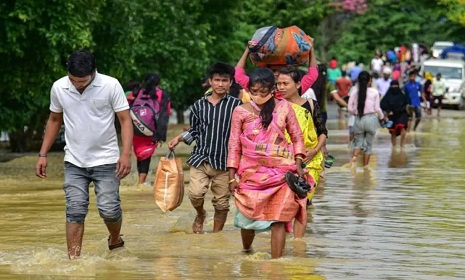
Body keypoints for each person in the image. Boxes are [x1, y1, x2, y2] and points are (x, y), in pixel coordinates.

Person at [35, 50, 133, 259]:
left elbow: (125, 120)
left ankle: (115, 238)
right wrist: (42, 154)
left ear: (94, 73)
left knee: (109, 210)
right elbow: (54, 120)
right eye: (73, 80)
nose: (77, 84)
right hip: (74, 160)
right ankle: (74, 261)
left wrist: (126, 154)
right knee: (75, 210)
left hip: (107, 160)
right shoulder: (59, 87)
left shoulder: (111, 85)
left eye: (82, 81)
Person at [227, 68, 307, 258]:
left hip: (281, 173)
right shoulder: (240, 112)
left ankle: (276, 265)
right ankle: (247, 252)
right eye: (254, 92)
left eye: (263, 92)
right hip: (250, 174)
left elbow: (297, 137)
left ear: (273, 89)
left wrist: (298, 164)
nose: (258, 96)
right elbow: (234, 144)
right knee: (247, 218)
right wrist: (231, 177)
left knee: (279, 218)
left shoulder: (285, 108)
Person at [168, 62, 242, 234]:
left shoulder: (237, 106)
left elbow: (243, 135)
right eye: (217, 80)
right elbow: (194, 130)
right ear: (210, 81)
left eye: (225, 80)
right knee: (195, 194)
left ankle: (216, 238)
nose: (220, 84)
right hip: (201, 158)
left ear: (231, 83)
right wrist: (179, 138)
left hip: (225, 163)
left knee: (222, 203)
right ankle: (200, 213)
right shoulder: (198, 106)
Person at [277, 65, 327, 237]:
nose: (281, 87)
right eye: (279, 84)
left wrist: (315, 150)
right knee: (285, 202)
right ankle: (282, 240)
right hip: (285, 160)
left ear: (298, 84)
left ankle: (298, 244)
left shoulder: (311, 105)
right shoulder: (277, 108)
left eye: (285, 83)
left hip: (310, 161)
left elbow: (322, 132)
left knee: (303, 202)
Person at [130, 73, 171, 185]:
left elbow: (127, 103)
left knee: (140, 153)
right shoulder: (162, 94)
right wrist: (161, 134)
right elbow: (165, 114)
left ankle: (138, 179)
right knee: (146, 154)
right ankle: (141, 182)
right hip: (151, 128)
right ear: (159, 82)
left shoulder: (137, 91)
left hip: (136, 127)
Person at [234, 44, 318, 97]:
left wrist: (311, 50)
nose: (277, 74)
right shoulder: (259, 87)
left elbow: (313, 74)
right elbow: (238, 74)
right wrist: (247, 50)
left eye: (281, 71)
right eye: (274, 71)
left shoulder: (294, 89)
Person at [348, 71, 386, 167]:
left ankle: (354, 159)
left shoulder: (354, 92)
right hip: (371, 119)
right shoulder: (375, 92)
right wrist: (382, 117)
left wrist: (356, 113)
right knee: (369, 145)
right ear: (370, 81)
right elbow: (377, 108)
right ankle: (365, 167)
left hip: (359, 119)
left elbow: (349, 108)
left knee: (358, 142)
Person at [380, 81, 411, 147]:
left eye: (396, 86)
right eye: (393, 86)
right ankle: (394, 147)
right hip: (392, 115)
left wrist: (409, 113)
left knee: (402, 127)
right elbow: (383, 104)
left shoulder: (403, 93)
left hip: (402, 113)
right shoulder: (388, 95)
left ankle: (402, 145)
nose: (394, 88)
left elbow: (408, 102)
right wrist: (388, 111)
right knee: (393, 131)